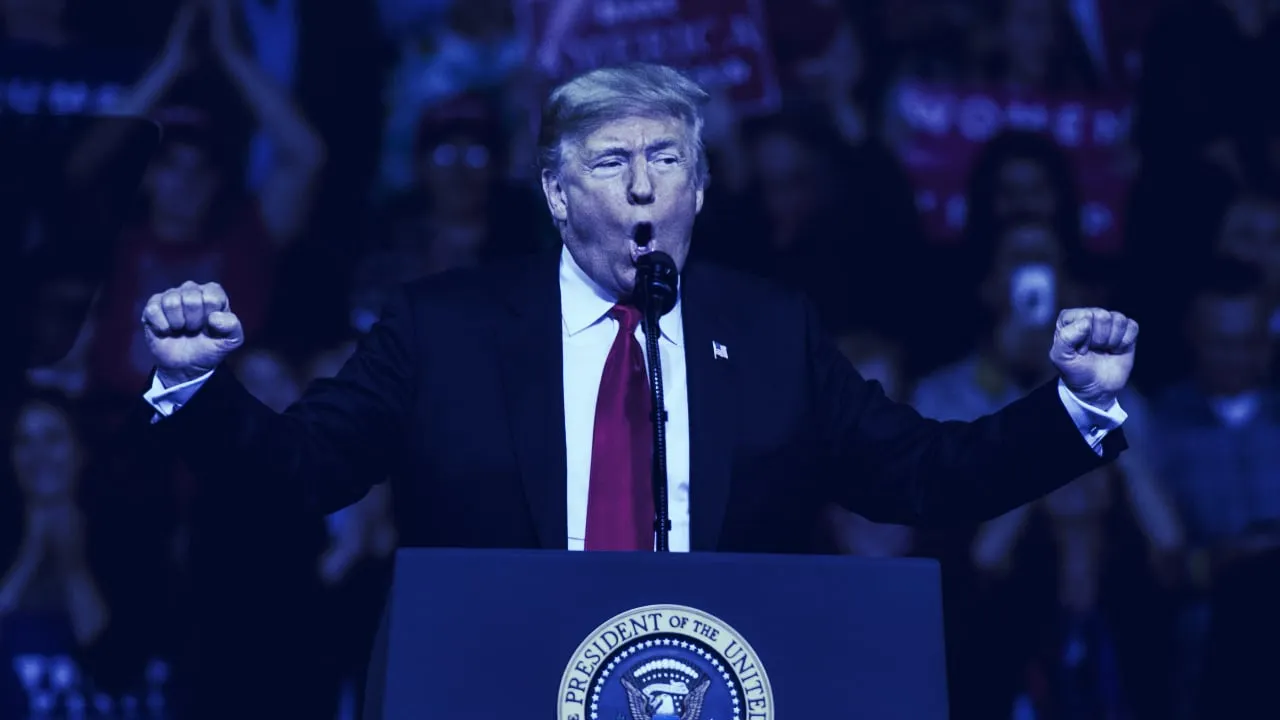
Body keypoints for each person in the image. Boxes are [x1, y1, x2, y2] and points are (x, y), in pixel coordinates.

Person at [132, 63, 1138, 554]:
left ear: (700, 189)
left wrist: (1075, 407)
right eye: (613, 163)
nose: (646, 188)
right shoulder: (440, 330)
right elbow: (304, 470)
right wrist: (193, 386)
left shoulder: (770, 331)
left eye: (668, 161)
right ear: (557, 195)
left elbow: (922, 475)